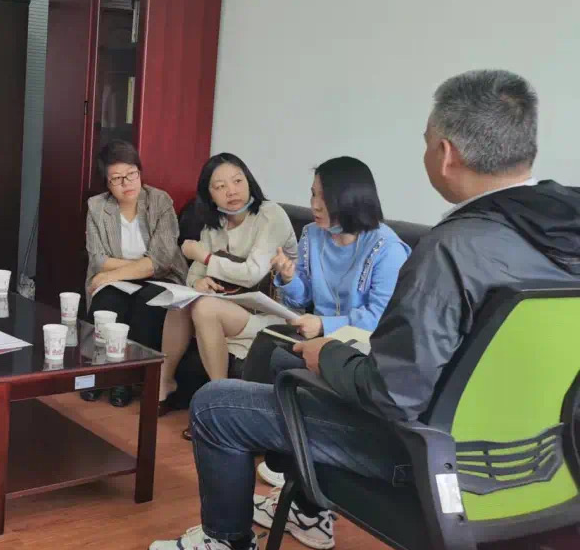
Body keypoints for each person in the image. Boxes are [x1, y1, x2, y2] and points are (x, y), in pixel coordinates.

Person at [147, 69, 580, 550]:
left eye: (425, 141)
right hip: (544, 467)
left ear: (445, 153)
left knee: (217, 405)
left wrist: (328, 354)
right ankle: (306, 511)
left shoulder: (453, 251)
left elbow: (392, 394)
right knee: (285, 360)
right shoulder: (562, 231)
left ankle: (230, 544)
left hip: (424, 458)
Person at [245, 156, 411, 488]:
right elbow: (301, 298)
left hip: (362, 344)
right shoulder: (312, 235)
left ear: (350, 198)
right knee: (267, 341)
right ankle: (260, 441)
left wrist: (324, 326)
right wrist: (288, 278)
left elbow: (379, 318)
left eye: (324, 197)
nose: (315, 205)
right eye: (312, 194)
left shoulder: (386, 248)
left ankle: (289, 458)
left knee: (281, 357)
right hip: (317, 331)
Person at [159, 154, 298, 414]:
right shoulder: (215, 223)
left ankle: (219, 403)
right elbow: (194, 274)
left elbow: (252, 274)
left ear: (249, 181)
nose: (231, 191)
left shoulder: (271, 216)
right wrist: (199, 282)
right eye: (220, 186)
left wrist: (206, 257)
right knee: (180, 302)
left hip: (272, 313)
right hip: (231, 305)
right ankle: (164, 382)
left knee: (204, 308)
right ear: (209, 195)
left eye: (237, 181)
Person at [83, 140, 187, 406]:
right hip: (123, 279)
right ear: (107, 184)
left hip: (160, 279)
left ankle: (126, 379)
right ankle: (99, 374)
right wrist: (134, 267)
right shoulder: (97, 207)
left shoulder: (160, 201)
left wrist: (110, 275)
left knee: (146, 305)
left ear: (140, 172)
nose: (126, 183)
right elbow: (98, 258)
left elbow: (161, 260)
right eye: (117, 179)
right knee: (105, 305)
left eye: (132, 174)